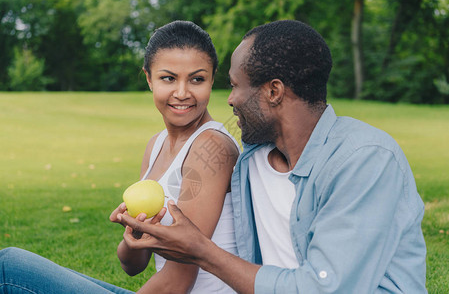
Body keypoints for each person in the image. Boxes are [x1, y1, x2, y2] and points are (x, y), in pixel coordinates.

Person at [117, 20, 428, 294]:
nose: (229, 99)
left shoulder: (365, 160)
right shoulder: (253, 159)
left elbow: (325, 289)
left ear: (274, 92)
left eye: (236, 85)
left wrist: (201, 251)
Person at [0, 21, 240, 294]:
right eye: (168, 78)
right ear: (149, 78)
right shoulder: (157, 145)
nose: (182, 92)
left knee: (8, 269)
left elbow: (178, 281)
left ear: (212, 79)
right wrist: (134, 234)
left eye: (197, 79)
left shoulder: (212, 147)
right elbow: (133, 265)